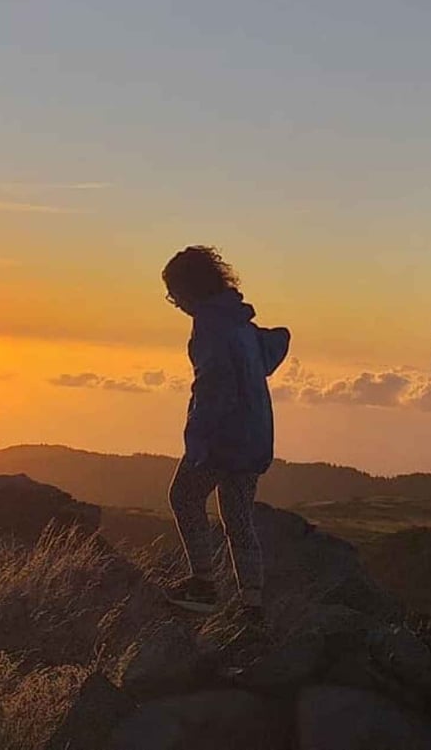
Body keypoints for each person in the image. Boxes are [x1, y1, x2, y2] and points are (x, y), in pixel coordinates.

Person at [162, 245, 290, 621]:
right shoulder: (239, 323)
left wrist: (198, 441)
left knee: (183, 496)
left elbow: (213, 387)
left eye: (176, 294)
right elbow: (273, 346)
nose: (176, 302)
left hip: (223, 436)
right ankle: (252, 604)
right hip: (255, 436)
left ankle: (203, 585)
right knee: (238, 516)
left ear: (191, 289)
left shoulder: (210, 326)